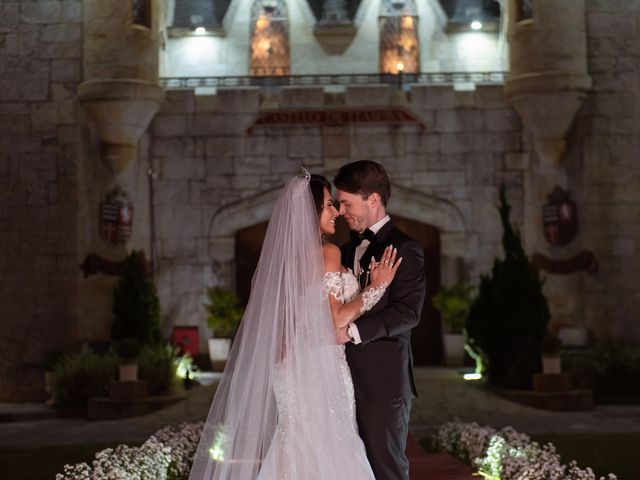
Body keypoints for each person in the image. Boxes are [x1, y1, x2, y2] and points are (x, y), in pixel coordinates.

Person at [188, 169, 402, 480]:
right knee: (329, 444)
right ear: (310, 210)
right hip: (318, 366)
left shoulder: (289, 260)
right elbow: (334, 320)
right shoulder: (327, 252)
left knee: (298, 443)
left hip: (293, 366)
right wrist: (376, 286)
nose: (337, 213)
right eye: (329, 205)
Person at [334, 160, 426, 480]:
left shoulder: (405, 249)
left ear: (372, 199)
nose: (341, 210)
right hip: (340, 380)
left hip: (382, 383)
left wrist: (353, 332)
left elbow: (408, 313)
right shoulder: (342, 252)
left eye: (347, 202)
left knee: (384, 467)